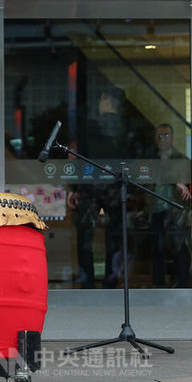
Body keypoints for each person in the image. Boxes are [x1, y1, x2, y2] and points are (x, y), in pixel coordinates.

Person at [66, 87, 127, 288]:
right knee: (114, 235)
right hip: (117, 187)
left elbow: (79, 159)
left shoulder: (92, 127)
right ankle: (111, 278)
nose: (99, 104)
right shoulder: (126, 128)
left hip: (91, 186)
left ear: (107, 100)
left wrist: (75, 187)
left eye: (101, 99)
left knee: (85, 234)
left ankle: (88, 281)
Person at [146, 123, 192, 288]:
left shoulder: (181, 159)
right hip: (156, 210)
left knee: (179, 248)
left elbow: (188, 181)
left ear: (172, 138)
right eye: (159, 136)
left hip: (175, 210)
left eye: (166, 136)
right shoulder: (151, 158)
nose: (162, 139)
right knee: (157, 250)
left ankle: (183, 286)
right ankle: (159, 285)